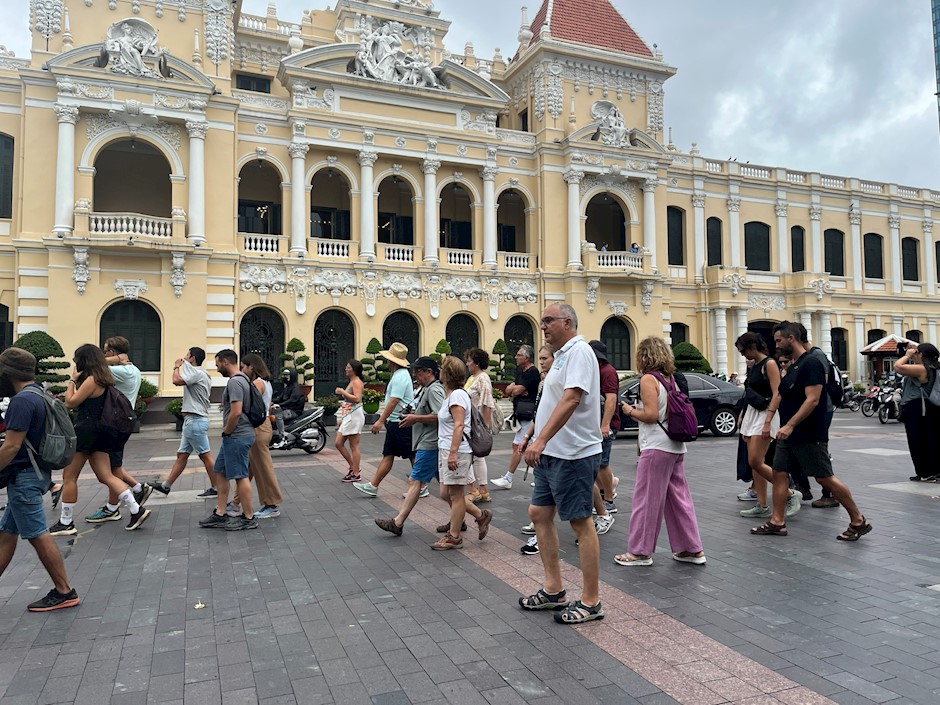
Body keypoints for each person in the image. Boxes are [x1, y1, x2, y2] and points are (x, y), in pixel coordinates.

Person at [518, 304, 604, 625]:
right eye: (542, 322)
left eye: (548, 321)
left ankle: (591, 601)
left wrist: (540, 440)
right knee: (539, 514)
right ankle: (554, 590)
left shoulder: (579, 351)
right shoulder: (561, 356)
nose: (543, 327)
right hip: (552, 453)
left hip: (573, 453)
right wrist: (537, 438)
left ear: (567, 322)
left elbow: (571, 398)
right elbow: (553, 401)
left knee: (581, 522)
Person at [751, 322, 871, 540]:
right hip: (789, 435)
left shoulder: (812, 363)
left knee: (824, 478)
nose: (776, 345)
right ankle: (777, 522)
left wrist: (790, 424)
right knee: (779, 474)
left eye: (779, 341)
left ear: (791, 339)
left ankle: (858, 520)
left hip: (808, 433)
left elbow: (813, 400)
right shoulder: (795, 364)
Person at [0, 348, 80, 612]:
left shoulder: (22, 401)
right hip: (33, 475)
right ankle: (64, 590)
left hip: (24, 477)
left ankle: (64, 590)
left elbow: (11, 446)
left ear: (7, 372)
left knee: (38, 535)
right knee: (7, 534)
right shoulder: (40, 393)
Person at [615, 337, 705, 567]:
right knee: (678, 500)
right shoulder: (670, 379)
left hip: (656, 446)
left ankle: (640, 552)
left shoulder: (647, 379)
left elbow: (652, 415)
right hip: (675, 446)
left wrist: (630, 411)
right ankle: (691, 549)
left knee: (646, 500)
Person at [49, 345, 151, 535]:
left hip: (86, 433)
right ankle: (137, 510)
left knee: (69, 477)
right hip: (100, 433)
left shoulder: (91, 380)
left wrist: (72, 380)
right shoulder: (104, 379)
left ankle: (66, 522)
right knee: (106, 476)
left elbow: (71, 403)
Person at [374, 356, 446, 536]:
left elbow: (441, 416)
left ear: (429, 372)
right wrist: (415, 415)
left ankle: (398, 522)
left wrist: (416, 418)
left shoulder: (434, 389)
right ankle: (472, 515)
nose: (414, 374)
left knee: (416, 482)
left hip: (430, 443)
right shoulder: (426, 389)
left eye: (418, 371)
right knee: (447, 490)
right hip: (427, 441)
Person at [432, 355, 492, 550]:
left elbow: (459, 426)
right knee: (445, 493)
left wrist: (452, 453)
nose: (439, 371)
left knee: (456, 495)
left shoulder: (457, 395)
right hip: (447, 449)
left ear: (447, 374)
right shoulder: (450, 394)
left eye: (441, 369)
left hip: (457, 451)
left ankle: (454, 536)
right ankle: (480, 516)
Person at [198, 349, 257, 531]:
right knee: (221, 471)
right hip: (236, 435)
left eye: (217, 365)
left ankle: (248, 517)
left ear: (225, 362)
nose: (217, 368)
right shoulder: (243, 380)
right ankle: (221, 513)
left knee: (240, 475)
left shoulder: (235, 382)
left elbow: (236, 411)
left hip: (237, 435)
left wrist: (227, 431)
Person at [95, 336, 153, 519]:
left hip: (115, 421)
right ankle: (137, 488)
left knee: (113, 468)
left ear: (112, 352)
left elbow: (93, 368)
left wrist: (112, 360)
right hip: (121, 420)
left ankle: (113, 508)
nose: (104, 355)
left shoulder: (122, 371)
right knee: (113, 465)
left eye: (106, 352)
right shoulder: (131, 369)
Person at [353, 342, 414, 497]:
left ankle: (421, 486)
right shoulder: (399, 375)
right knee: (391, 454)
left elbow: (394, 400)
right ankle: (373, 485)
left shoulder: (400, 376)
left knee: (411, 455)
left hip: (400, 421)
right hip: (396, 421)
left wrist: (380, 420)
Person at [153, 347, 215, 497]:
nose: (184, 357)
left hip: (195, 421)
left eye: (187, 355)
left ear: (193, 358)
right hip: (192, 421)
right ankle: (166, 486)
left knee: (205, 456)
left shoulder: (197, 373)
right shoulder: (201, 373)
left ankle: (217, 487)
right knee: (182, 455)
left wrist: (176, 366)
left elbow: (176, 381)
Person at [734, 332, 783, 520]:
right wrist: (743, 414)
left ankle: (787, 493)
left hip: (765, 414)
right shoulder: (753, 365)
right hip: (753, 414)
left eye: (743, 350)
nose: (742, 354)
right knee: (755, 463)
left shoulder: (769, 364)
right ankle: (762, 504)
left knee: (756, 460)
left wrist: (768, 421)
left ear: (752, 347)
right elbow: (750, 392)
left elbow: (777, 393)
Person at [518, 344, 556, 555]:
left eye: (545, 358)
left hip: (555, 445)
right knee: (544, 498)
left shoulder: (557, 382)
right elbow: (539, 414)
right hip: (542, 443)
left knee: (577, 494)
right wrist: (527, 437)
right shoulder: (543, 383)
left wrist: (541, 439)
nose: (541, 362)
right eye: (540, 358)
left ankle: (600, 514)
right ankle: (539, 532)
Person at [235, 354, 282, 519]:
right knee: (248, 467)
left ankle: (271, 504)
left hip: (257, 427)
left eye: (243, 366)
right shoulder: (267, 383)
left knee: (263, 468)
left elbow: (248, 404)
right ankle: (235, 503)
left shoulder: (256, 384)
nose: (242, 370)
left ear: (251, 367)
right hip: (264, 426)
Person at [491, 345, 540, 490]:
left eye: (519, 355)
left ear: (526, 357)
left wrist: (516, 389)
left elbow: (517, 389)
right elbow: (509, 390)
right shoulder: (521, 372)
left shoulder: (532, 372)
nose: (515, 357)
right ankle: (540, 477)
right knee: (530, 446)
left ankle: (509, 477)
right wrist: (515, 389)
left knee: (519, 446)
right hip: (521, 414)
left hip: (528, 414)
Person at [894, 342, 940, 481]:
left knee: (917, 440)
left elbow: (897, 366)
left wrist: (906, 355)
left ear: (922, 355)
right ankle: (930, 470)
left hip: (917, 408)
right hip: (926, 408)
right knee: (928, 439)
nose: (914, 353)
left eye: (917, 352)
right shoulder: (932, 367)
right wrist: (913, 347)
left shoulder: (921, 369)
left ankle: (925, 472)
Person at [589, 340, 619, 521]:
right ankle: (605, 493)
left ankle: (609, 499)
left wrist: (605, 424)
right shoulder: (596, 371)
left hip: (605, 425)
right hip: (596, 424)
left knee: (602, 463)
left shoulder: (607, 372)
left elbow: (611, 399)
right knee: (598, 463)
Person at [463, 348, 495, 505]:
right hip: (471, 422)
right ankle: (482, 490)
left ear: (476, 363)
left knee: (471, 455)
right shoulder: (472, 378)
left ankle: (474, 490)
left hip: (476, 423)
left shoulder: (482, 378)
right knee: (476, 457)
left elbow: (487, 402)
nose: (467, 363)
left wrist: (485, 426)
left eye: (469, 361)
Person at [336, 359, 366, 483]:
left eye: (348, 367)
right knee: (338, 443)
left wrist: (342, 392)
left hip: (354, 415)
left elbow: (357, 399)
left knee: (354, 445)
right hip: (348, 415)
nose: (346, 369)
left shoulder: (357, 382)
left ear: (354, 369)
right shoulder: (352, 382)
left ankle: (355, 473)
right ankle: (354, 467)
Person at [271, 368, 307, 448]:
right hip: (287, 409)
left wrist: (280, 405)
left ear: (292, 376)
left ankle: (282, 438)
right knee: (272, 411)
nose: (285, 377)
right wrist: (271, 402)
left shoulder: (295, 388)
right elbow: (280, 398)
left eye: (287, 375)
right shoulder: (287, 387)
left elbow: (292, 400)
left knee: (278, 416)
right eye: (284, 375)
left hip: (294, 411)